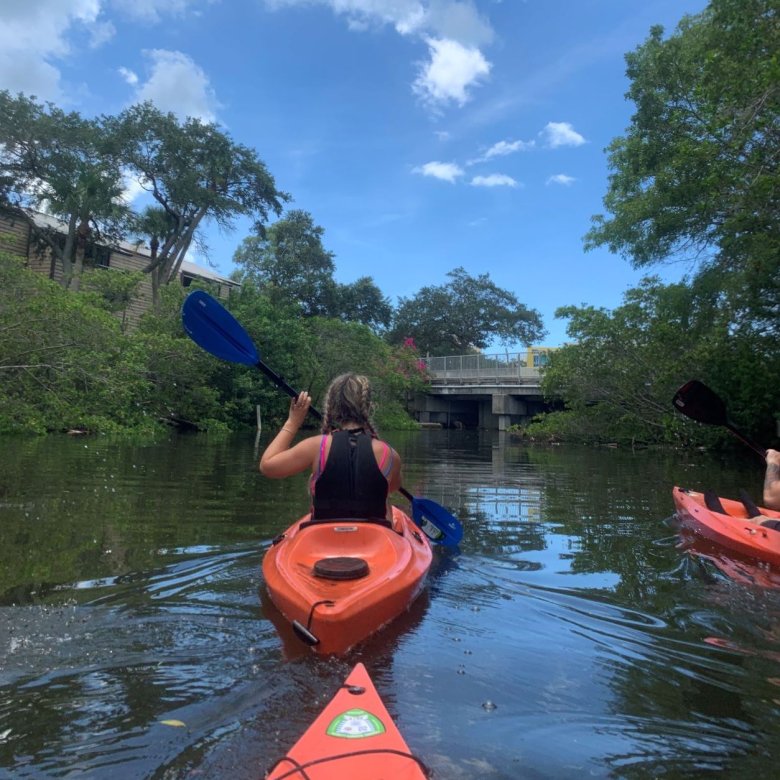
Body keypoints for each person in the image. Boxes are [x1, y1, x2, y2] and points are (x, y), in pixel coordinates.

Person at [259, 373, 402, 523]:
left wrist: (293, 422)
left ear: (331, 407)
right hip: (376, 539)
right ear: (368, 407)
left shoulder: (316, 446)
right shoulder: (390, 454)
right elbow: (393, 487)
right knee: (385, 499)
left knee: (314, 479)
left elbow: (267, 466)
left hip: (323, 536)